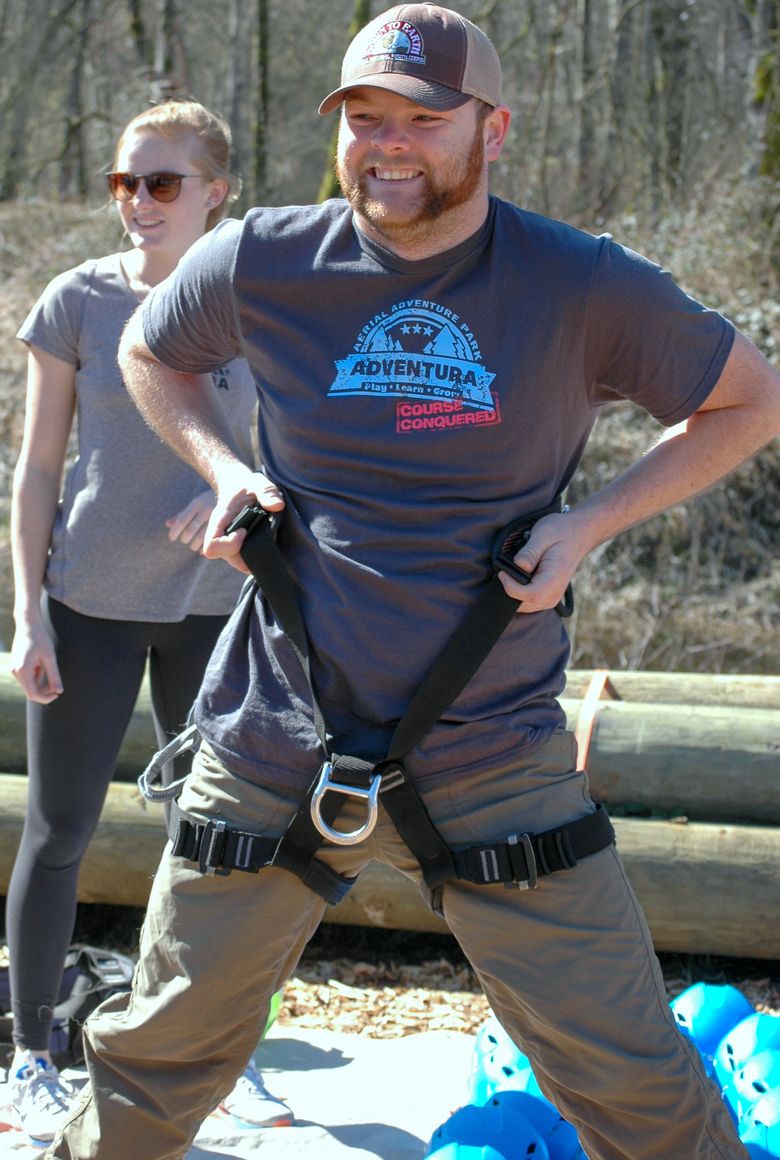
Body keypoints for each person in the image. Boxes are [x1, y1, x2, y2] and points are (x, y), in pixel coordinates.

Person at [46, 6, 780, 1159]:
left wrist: (589, 524)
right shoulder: (266, 257)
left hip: (493, 745)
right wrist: (228, 465)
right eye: (365, 117)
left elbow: (750, 398)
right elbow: (151, 351)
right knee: (150, 1064)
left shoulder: (577, 281)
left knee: (641, 1085)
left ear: (494, 131)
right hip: (275, 731)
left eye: (424, 119)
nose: (389, 143)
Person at [4, 99, 292, 1144]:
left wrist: (237, 484)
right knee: (61, 829)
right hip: (87, 606)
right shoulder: (75, 300)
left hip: (221, 607)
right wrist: (28, 611)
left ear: (218, 191)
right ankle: (32, 1054)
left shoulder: (264, 298)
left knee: (217, 839)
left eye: (162, 183)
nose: (138, 202)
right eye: (125, 182)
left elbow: (304, 448)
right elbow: (37, 469)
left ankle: (224, 1055)